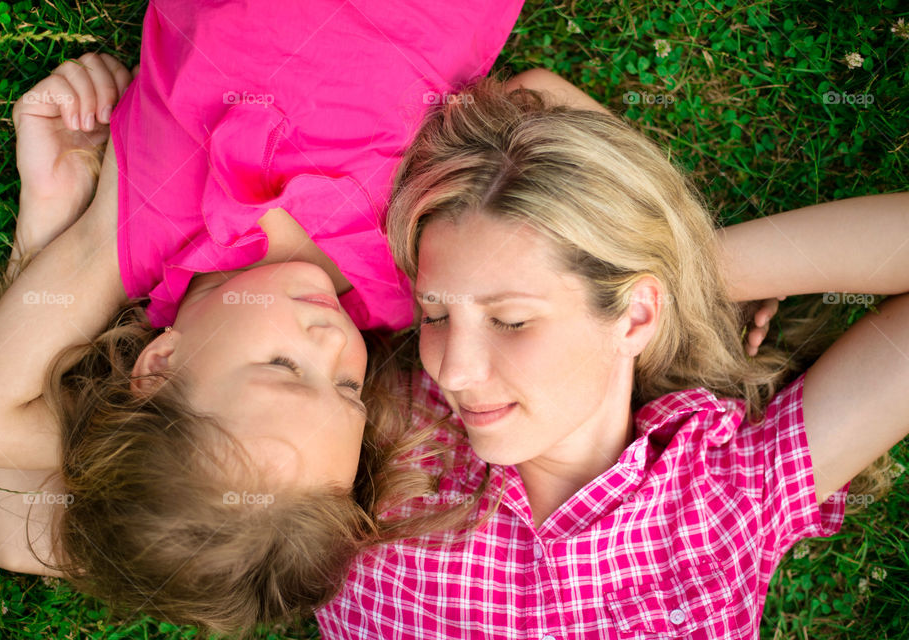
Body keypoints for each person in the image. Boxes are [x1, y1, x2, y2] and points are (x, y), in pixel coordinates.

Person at [0, 0, 524, 633]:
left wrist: (51, 226)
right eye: (347, 388)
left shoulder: (133, 233)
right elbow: (535, 104)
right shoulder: (408, 271)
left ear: (161, 364)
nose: (331, 341)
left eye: (284, 367)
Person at [314, 75, 909, 638]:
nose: (454, 369)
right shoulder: (363, 437)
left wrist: (693, 275)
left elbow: (532, 94)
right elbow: (529, 91)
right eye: (436, 315)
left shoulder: (730, 502)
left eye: (512, 320)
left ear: (636, 317)